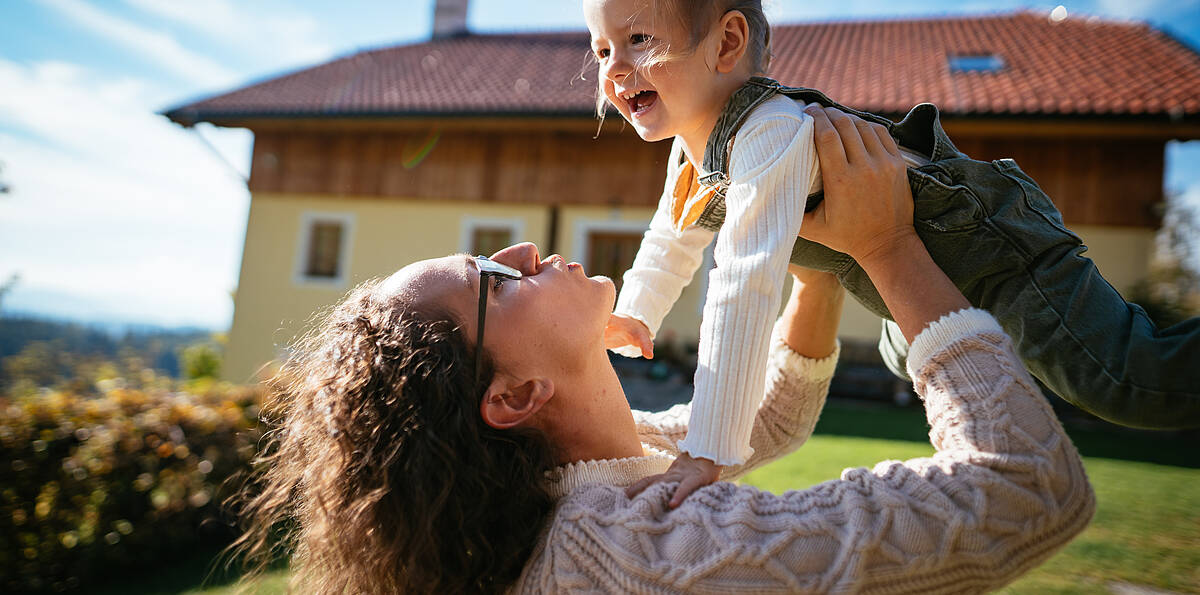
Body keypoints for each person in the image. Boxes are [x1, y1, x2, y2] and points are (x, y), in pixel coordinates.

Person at [230, 106, 1095, 594]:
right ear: (513, 396)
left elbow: (768, 421)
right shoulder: (640, 556)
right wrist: (891, 249)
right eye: (496, 277)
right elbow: (1029, 489)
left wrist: (821, 269)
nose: (526, 251)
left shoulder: (585, 481)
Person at [591, 0, 1199, 505]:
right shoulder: (692, 154)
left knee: (1127, 381)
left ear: (727, 43)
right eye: (601, 50)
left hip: (997, 256)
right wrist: (638, 312)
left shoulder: (767, 131)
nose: (615, 70)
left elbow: (743, 283)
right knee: (898, 356)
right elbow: (671, 237)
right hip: (902, 289)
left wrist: (707, 448)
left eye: (638, 40)